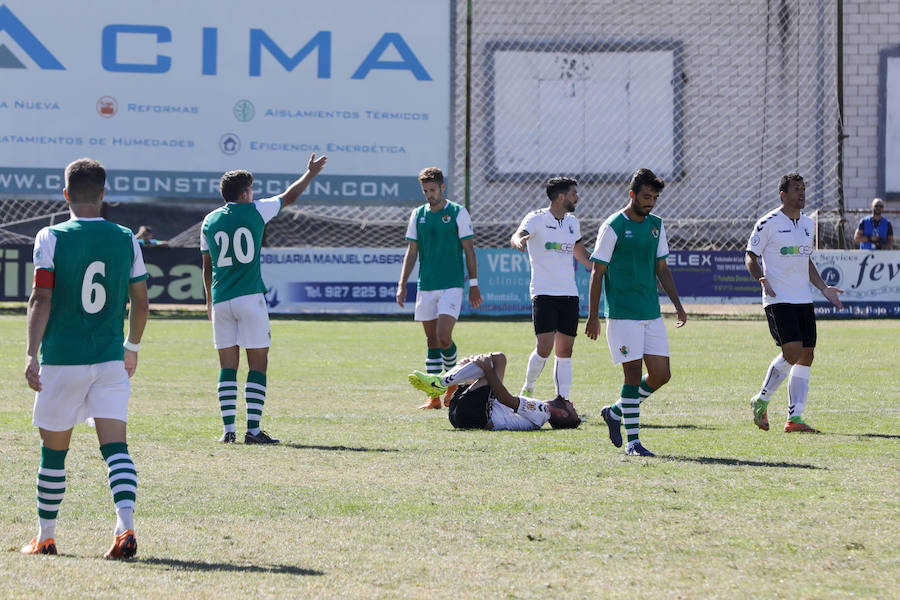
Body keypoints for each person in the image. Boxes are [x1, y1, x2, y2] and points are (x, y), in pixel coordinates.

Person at [22, 157, 149, 559]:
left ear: (65, 195)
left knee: (54, 451)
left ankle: (45, 537)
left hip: (62, 358)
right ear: (103, 194)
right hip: (110, 360)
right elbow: (141, 300)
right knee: (116, 449)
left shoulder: (50, 236)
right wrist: (131, 347)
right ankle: (124, 528)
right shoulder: (126, 236)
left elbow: (41, 297)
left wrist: (30, 354)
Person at [201, 153, 327, 444]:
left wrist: (209, 301)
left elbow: (206, 268)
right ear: (245, 193)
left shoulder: (209, 220)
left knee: (226, 367)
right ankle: (254, 430)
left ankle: (228, 431)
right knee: (258, 364)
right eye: (252, 189)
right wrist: (309, 174)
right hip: (250, 298)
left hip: (221, 300)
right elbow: (289, 196)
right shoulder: (256, 210)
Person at [585, 168, 687, 457]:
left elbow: (662, 269)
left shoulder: (656, 225)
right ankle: (633, 443)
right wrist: (593, 315)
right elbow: (597, 272)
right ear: (632, 194)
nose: (650, 202)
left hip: (651, 313)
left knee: (661, 375)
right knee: (632, 376)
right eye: (645, 196)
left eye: (654, 197)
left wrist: (678, 306)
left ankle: (616, 411)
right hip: (622, 314)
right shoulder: (613, 226)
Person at [746, 172, 844, 433]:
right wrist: (761, 278)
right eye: (796, 189)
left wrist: (823, 288)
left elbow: (805, 259)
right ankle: (761, 399)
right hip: (779, 298)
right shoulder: (767, 223)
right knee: (792, 352)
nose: (802, 193)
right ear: (783, 195)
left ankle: (794, 419)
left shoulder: (809, 224)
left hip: (803, 299)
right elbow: (750, 257)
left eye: (803, 189)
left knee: (807, 355)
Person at [397, 167, 482, 410]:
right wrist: (403, 284)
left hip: (452, 285)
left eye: (433, 190)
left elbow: (469, 250)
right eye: (425, 191)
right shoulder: (418, 214)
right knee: (431, 340)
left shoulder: (457, 212)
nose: (429, 195)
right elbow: (412, 252)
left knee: (444, 337)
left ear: (443, 187)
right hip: (427, 285)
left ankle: (452, 383)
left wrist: (473, 284)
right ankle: (434, 397)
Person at [510, 176, 592, 401]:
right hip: (543, 293)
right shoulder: (536, 218)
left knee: (565, 351)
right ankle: (527, 388)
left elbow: (579, 251)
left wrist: (600, 267)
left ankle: (562, 400)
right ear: (561, 196)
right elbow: (517, 235)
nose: (577, 197)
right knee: (544, 347)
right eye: (573, 193)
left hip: (569, 294)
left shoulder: (572, 222)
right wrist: (518, 242)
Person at [408, 353, 581, 430]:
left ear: (563, 415)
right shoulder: (538, 413)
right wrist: (472, 372)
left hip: (475, 416)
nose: (571, 402)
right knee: (481, 363)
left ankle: (442, 383)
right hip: (464, 416)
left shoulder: (541, 412)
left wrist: (487, 370)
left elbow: (504, 398)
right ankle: (444, 381)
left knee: (498, 360)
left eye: (572, 408)